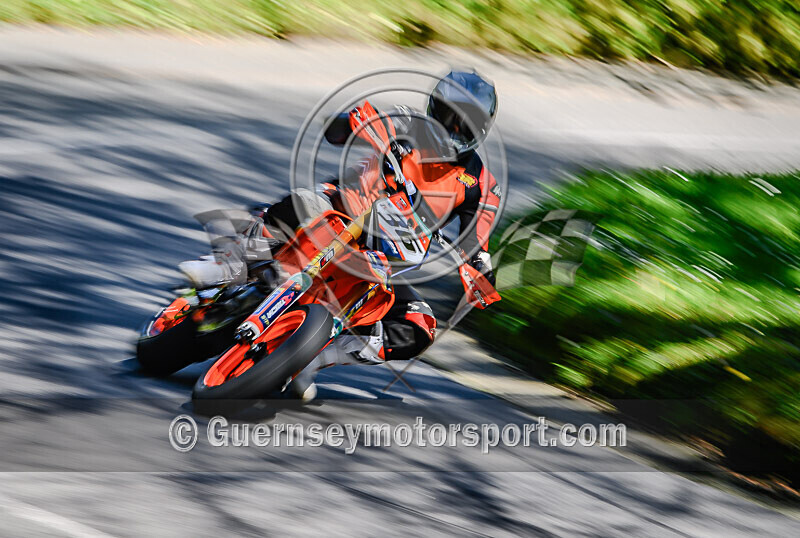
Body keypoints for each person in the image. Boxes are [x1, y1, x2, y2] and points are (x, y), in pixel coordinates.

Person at [183, 70, 502, 401]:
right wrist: (353, 122)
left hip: (388, 254)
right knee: (307, 203)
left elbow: (477, 237)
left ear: (480, 129)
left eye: (463, 123)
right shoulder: (408, 124)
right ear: (434, 108)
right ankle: (228, 265)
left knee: (421, 325)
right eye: (448, 116)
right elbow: (353, 125)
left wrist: (480, 270)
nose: (452, 128)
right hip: (344, 207)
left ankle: (311, 358)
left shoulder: (480, 182)